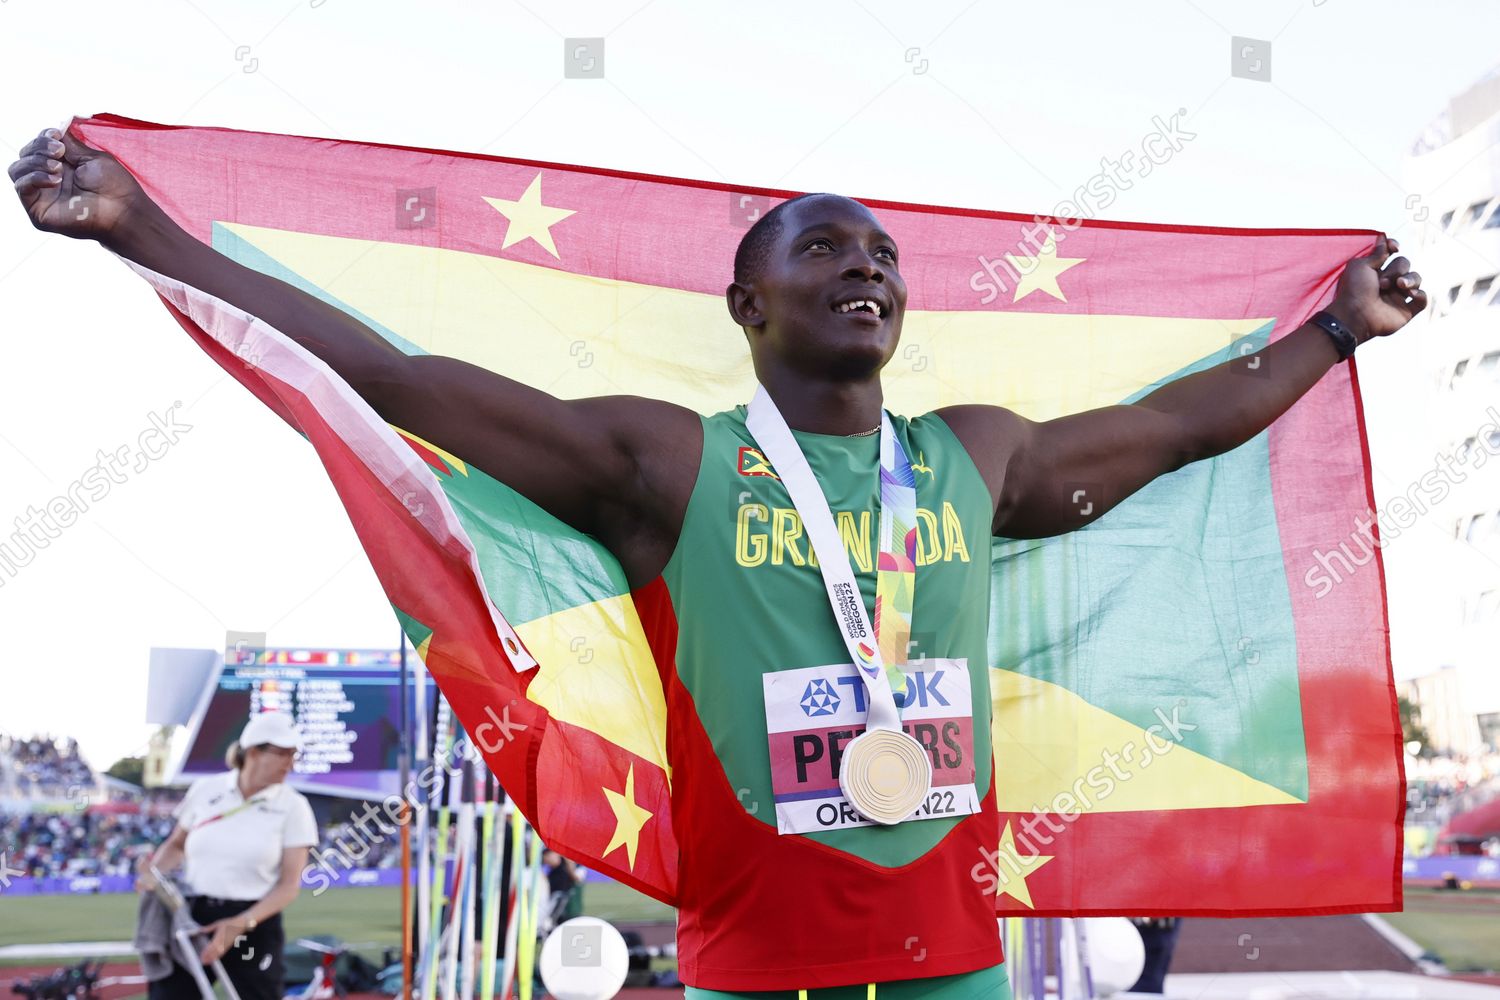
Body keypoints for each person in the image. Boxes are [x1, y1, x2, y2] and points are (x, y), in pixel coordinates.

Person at [11, 127, 1426, 999]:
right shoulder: (666, 466)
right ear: (750, 303)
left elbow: (1177, 430)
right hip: (755, 979)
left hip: (960, 971)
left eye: (880, 251)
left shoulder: (975, 458)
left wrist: (1338, 331)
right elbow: (397, 374)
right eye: (824, 249)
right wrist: (146, 230)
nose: (865, 264)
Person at [134, 712, 318, 1000]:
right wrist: (155, 873)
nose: (290, 762)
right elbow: (176, 845)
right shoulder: (206, 790)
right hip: (194, 919)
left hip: (254, 924)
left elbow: (288, 886)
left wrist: (238, 924)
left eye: (294, 754)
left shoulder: (295, 806)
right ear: (254, 751)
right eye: (283, 753)